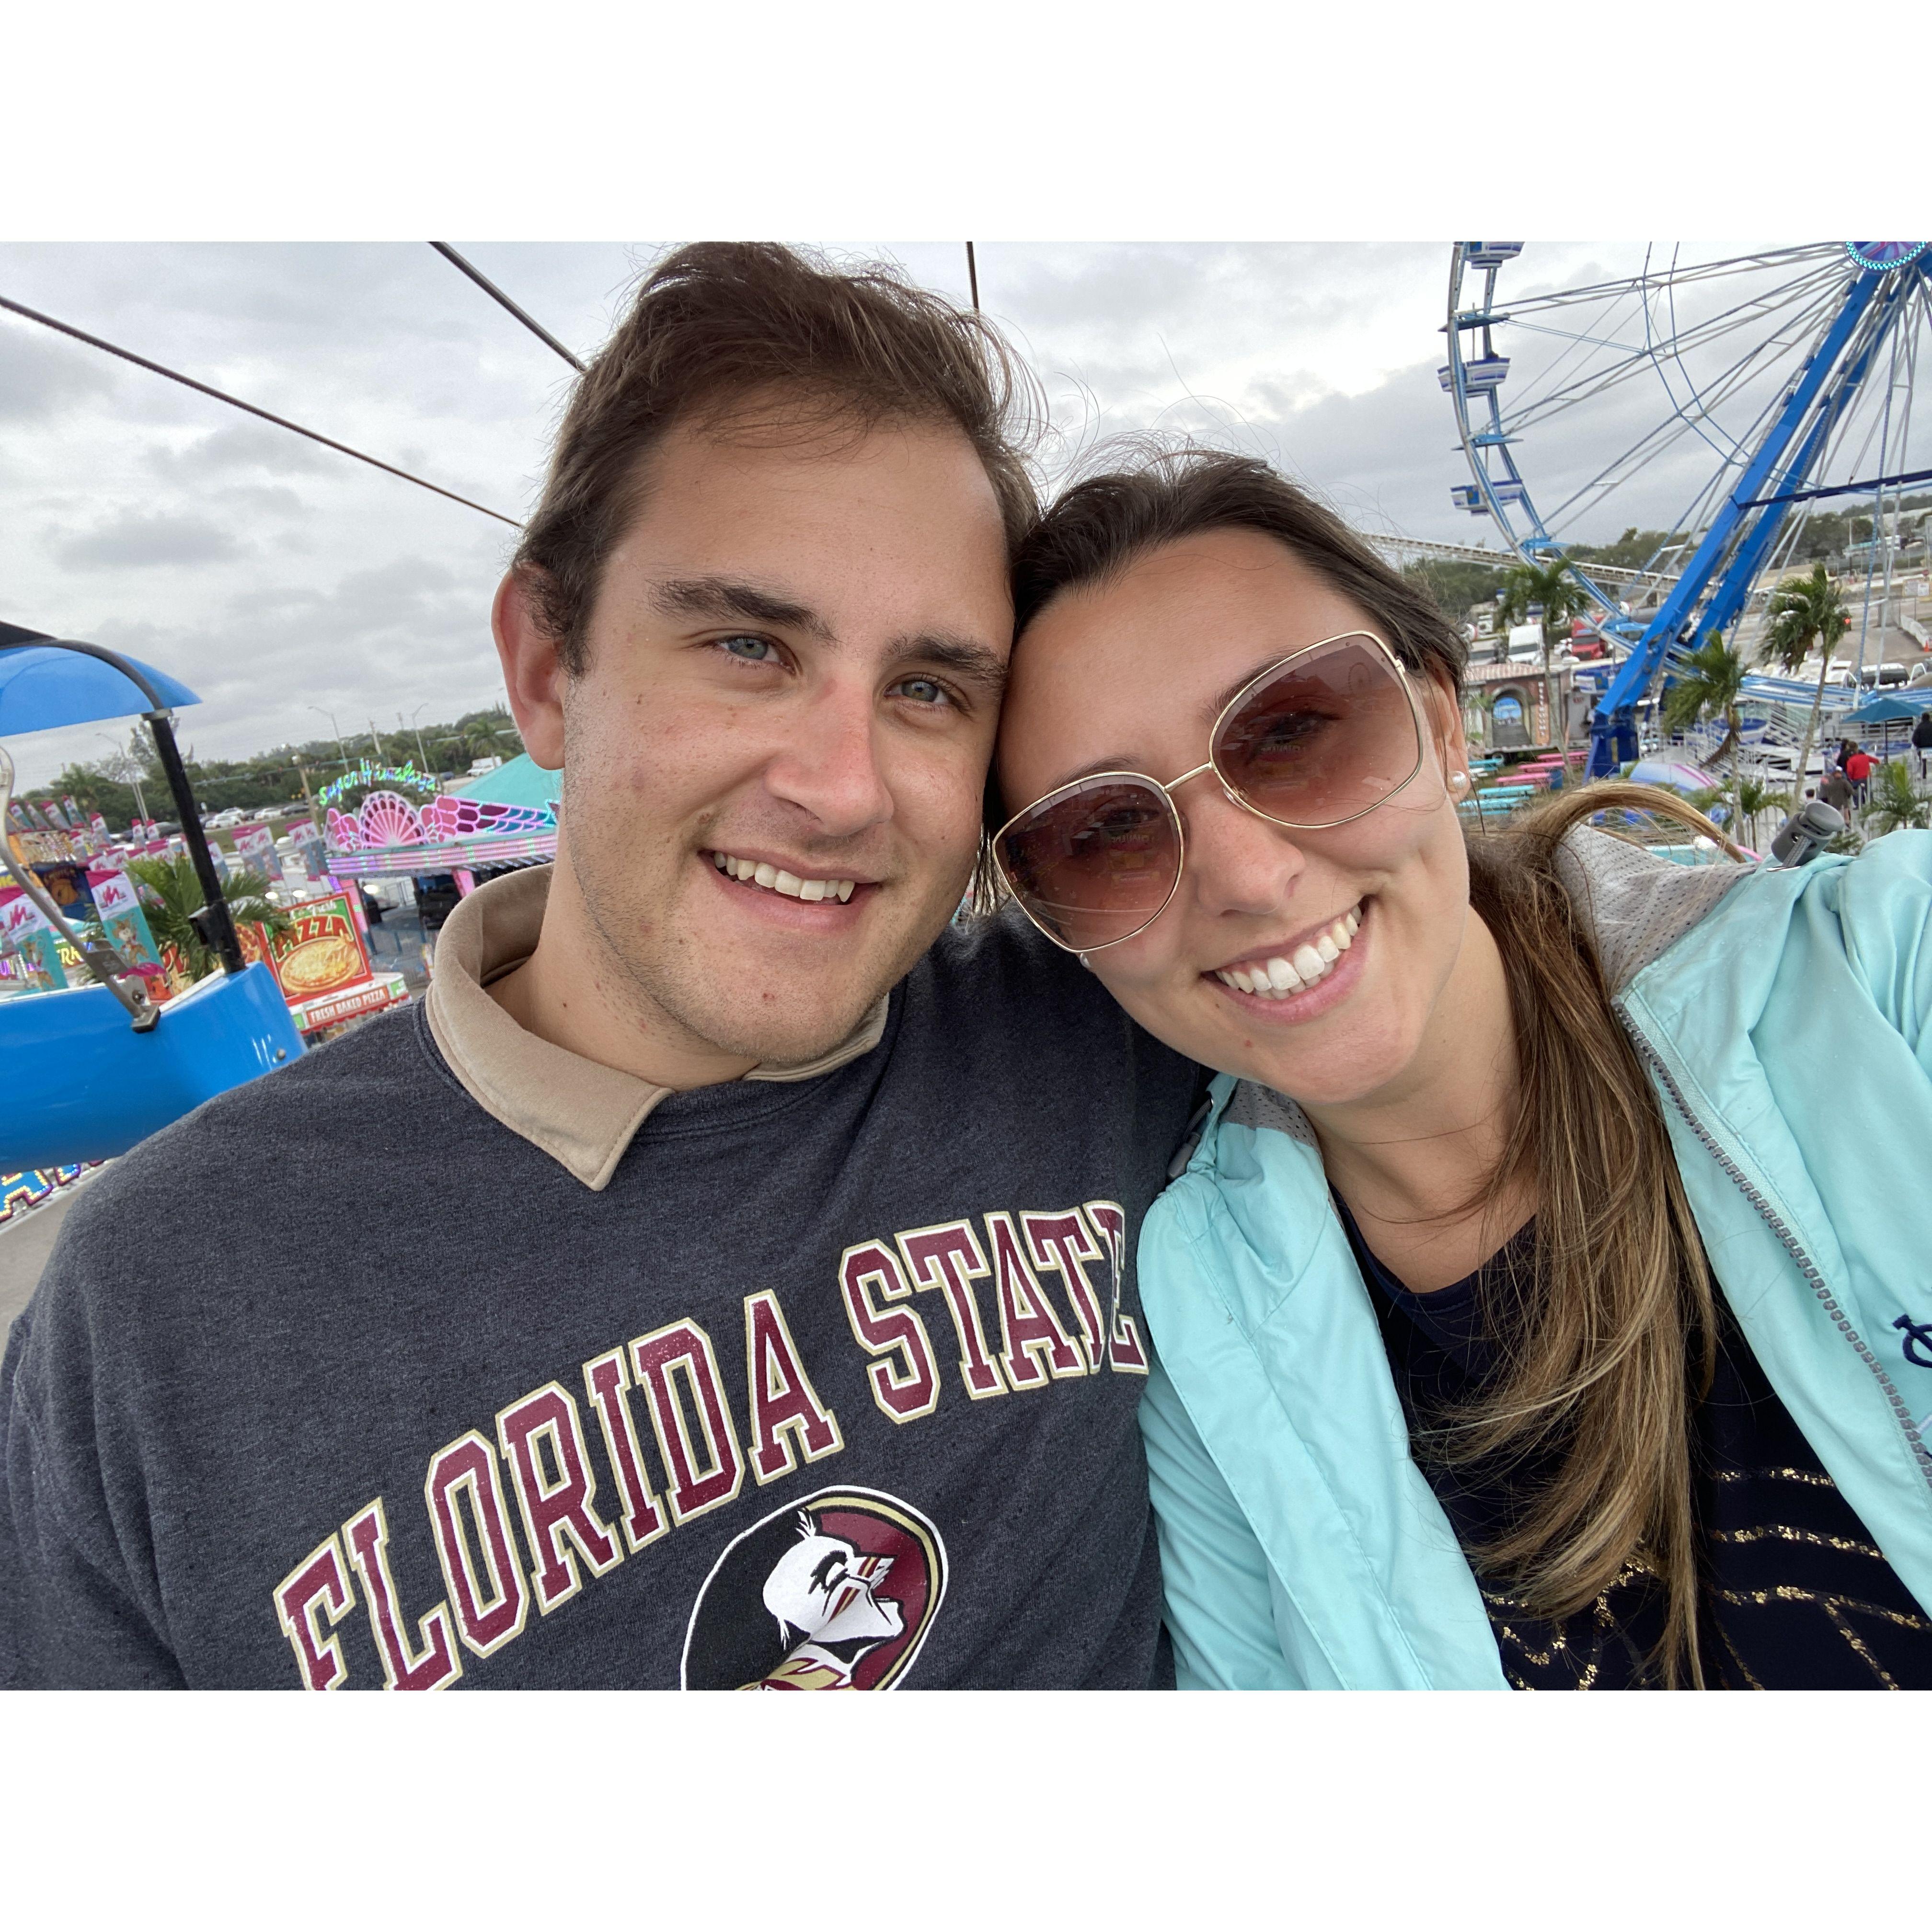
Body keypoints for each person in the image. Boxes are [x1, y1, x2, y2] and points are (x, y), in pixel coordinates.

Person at [0, 246, 1200, 1690]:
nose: (843, 787)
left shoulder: (1106, 1030)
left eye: (928, 690)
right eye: (750, 646)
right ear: (545, 670)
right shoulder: (162, 1307)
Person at [990, 448, 1932, 1689]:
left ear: (1440, 724)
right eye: (1103, 833)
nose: (1246, 879)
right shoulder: (1198, 1320)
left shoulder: (1877, 985)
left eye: (1294, 734)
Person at [1844, 743, 1875, 812]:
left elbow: (1850, 771)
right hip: (1866, 778)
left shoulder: (1850, 761)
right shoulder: (1865, 757)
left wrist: (1851, 778)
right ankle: (1873, 805)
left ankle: (1859, 805)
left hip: (1856, 780)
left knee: (1856, 792)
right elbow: (1876, 761)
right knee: (1869, 791)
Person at [1912, 704, 1932, 781]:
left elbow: (1914, 739)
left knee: (1923, 761)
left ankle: (1924, 775)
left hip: (1922, 749)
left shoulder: (1919, 728)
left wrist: (1918, 746)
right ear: (1929, 718)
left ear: (1922, 719)